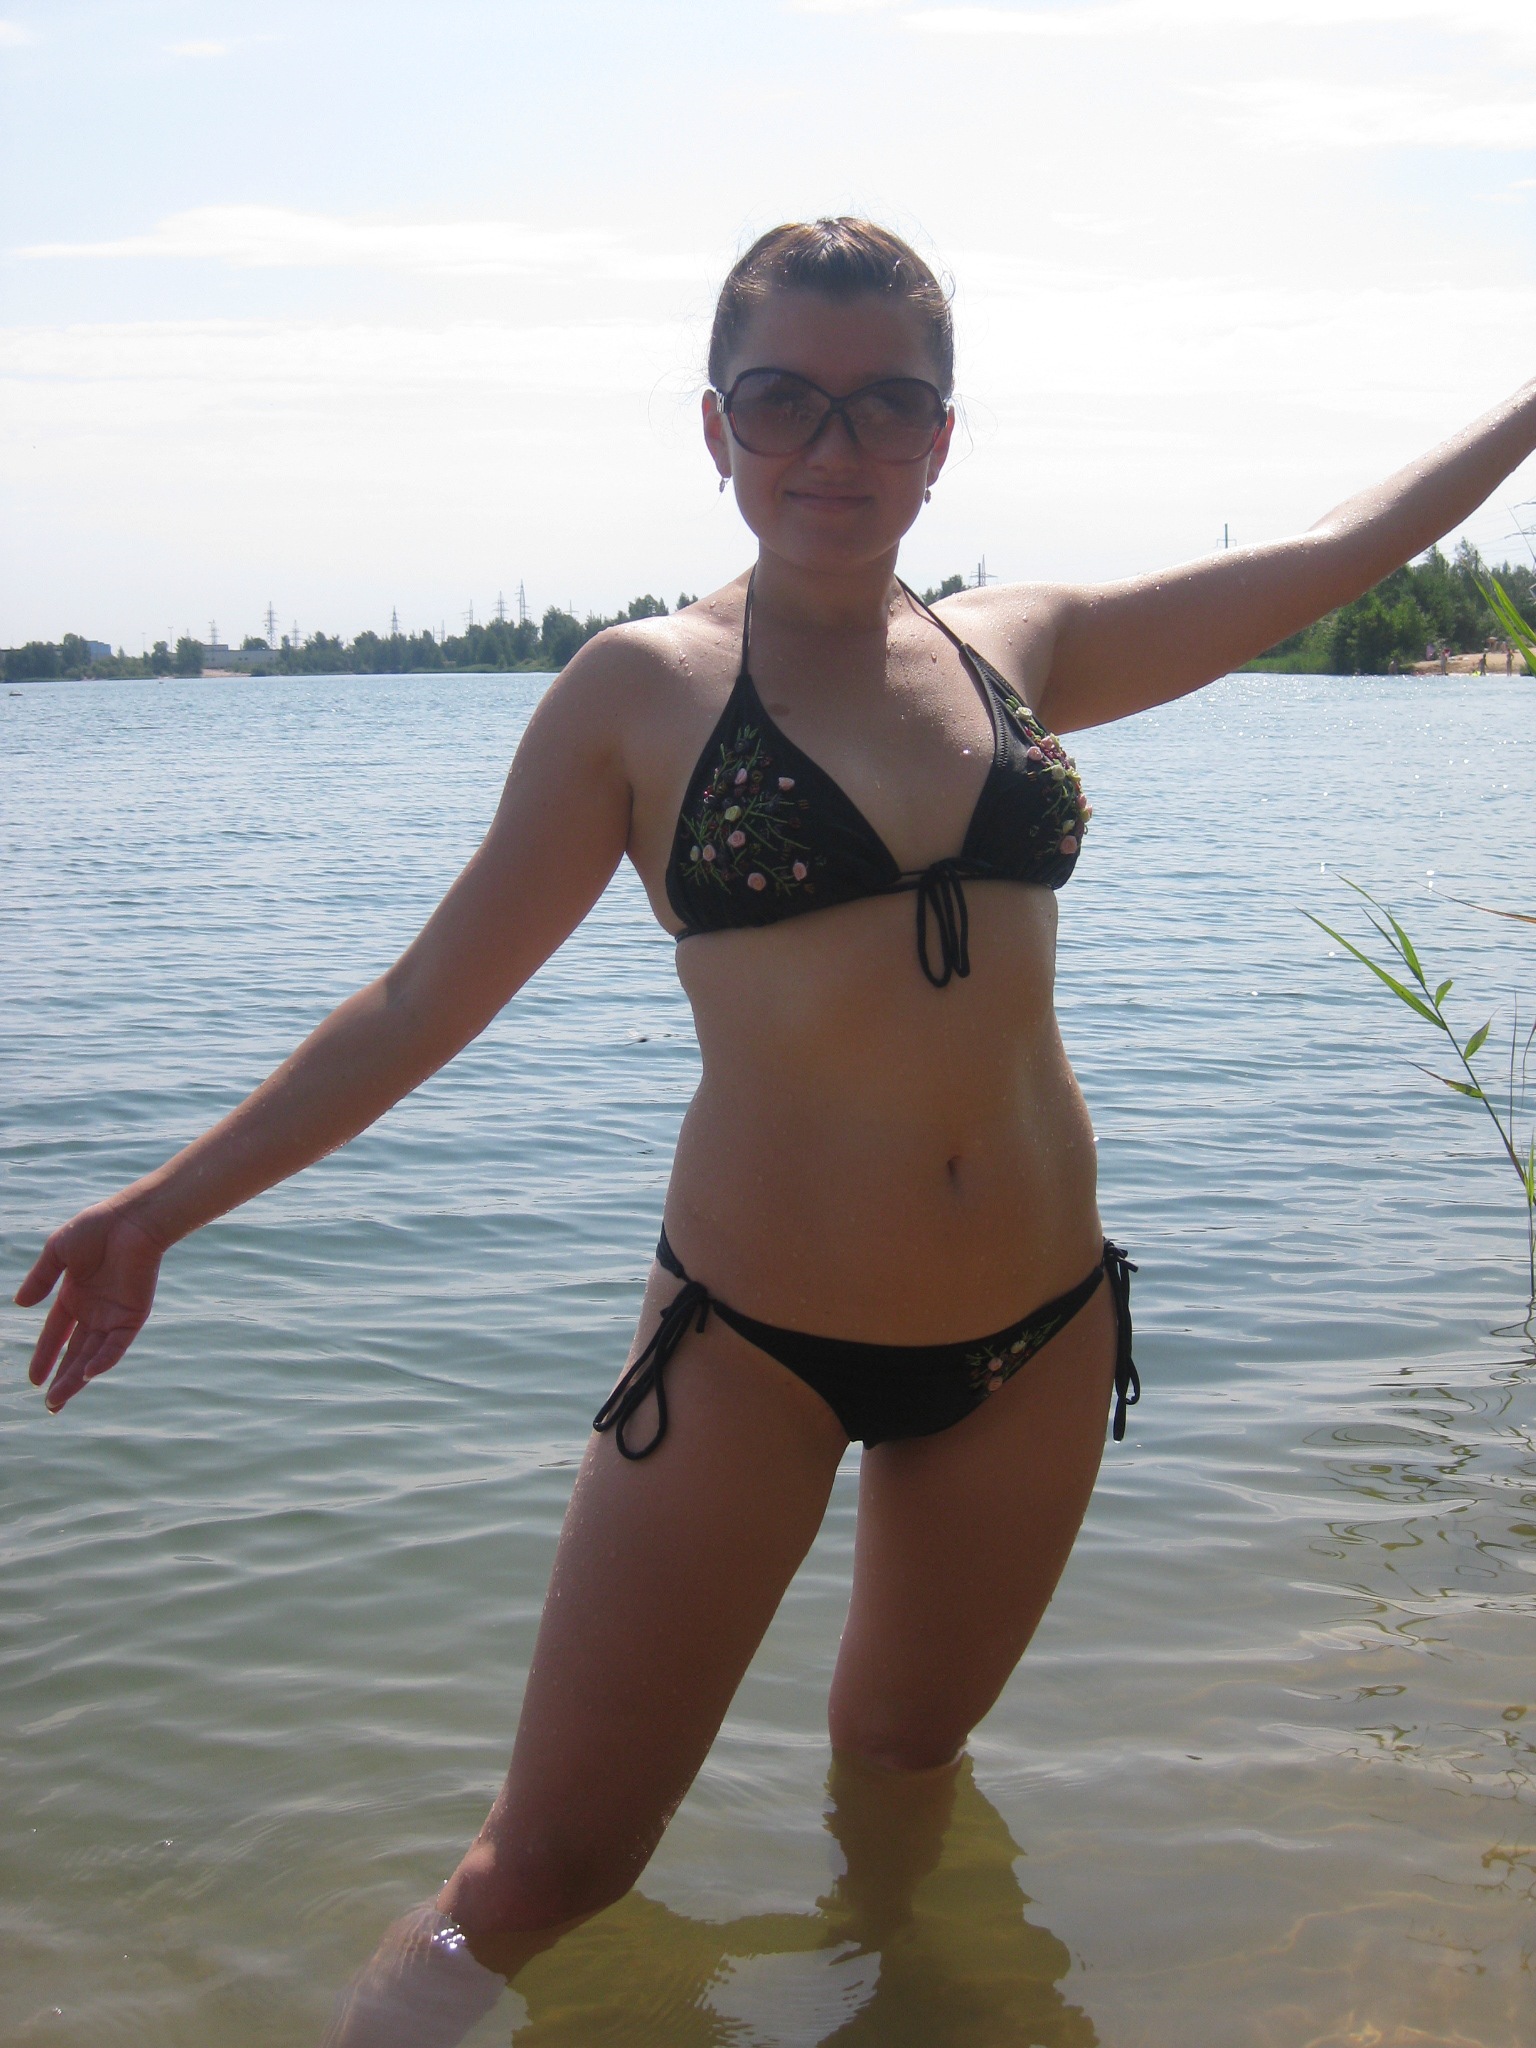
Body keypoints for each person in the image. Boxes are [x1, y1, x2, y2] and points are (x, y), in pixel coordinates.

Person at [16, 219, 1536, 2043]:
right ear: (715, 426)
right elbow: (424, 1003)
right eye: (783, 400)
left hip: (1038, 1337)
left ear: (942, 439)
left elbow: (1340, 553)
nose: (835, 444)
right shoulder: (640, 692)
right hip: (750, 1348)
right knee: (547, 1872)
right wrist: (164, 1207)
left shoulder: (1018, 646)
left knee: (907, 1765)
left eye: (887, 404)